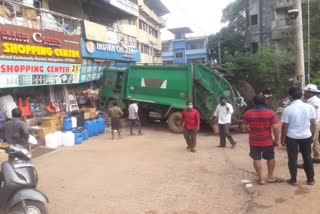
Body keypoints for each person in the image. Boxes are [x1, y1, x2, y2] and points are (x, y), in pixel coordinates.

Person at [243, 95, 283, 185]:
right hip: (267, 141)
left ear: (254, 102)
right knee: (270, 157)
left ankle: (260, 179)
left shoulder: (248, 113)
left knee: (256, 158)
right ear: (265, 101)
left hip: (254, 140)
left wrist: (250, 130)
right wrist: (277, 139)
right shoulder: (271, 113)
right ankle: (270, 177)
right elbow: (276, 128)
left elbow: (244, 127)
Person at [281, 87, 316, 186]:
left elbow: (285, 126)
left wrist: (282, 138)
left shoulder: (287, 109)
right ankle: (310, 179)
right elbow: (313, 124)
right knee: (308, 157)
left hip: (291, 137)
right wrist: (312, 136)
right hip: (306, 136)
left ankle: (293, 180)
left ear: (290, 96)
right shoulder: (309, 107)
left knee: (292, 158)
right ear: (301, 95)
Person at [303, 84, 320, 163]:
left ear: (311, 92)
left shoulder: (315, 101)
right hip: (313, 123)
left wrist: (311, 126)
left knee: (310, 141)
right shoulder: (309, 100)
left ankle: (307, 161)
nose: (304, 93)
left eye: (306, 91)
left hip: (313, 124)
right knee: (315, 140)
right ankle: (317, 157)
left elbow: (315, 116)